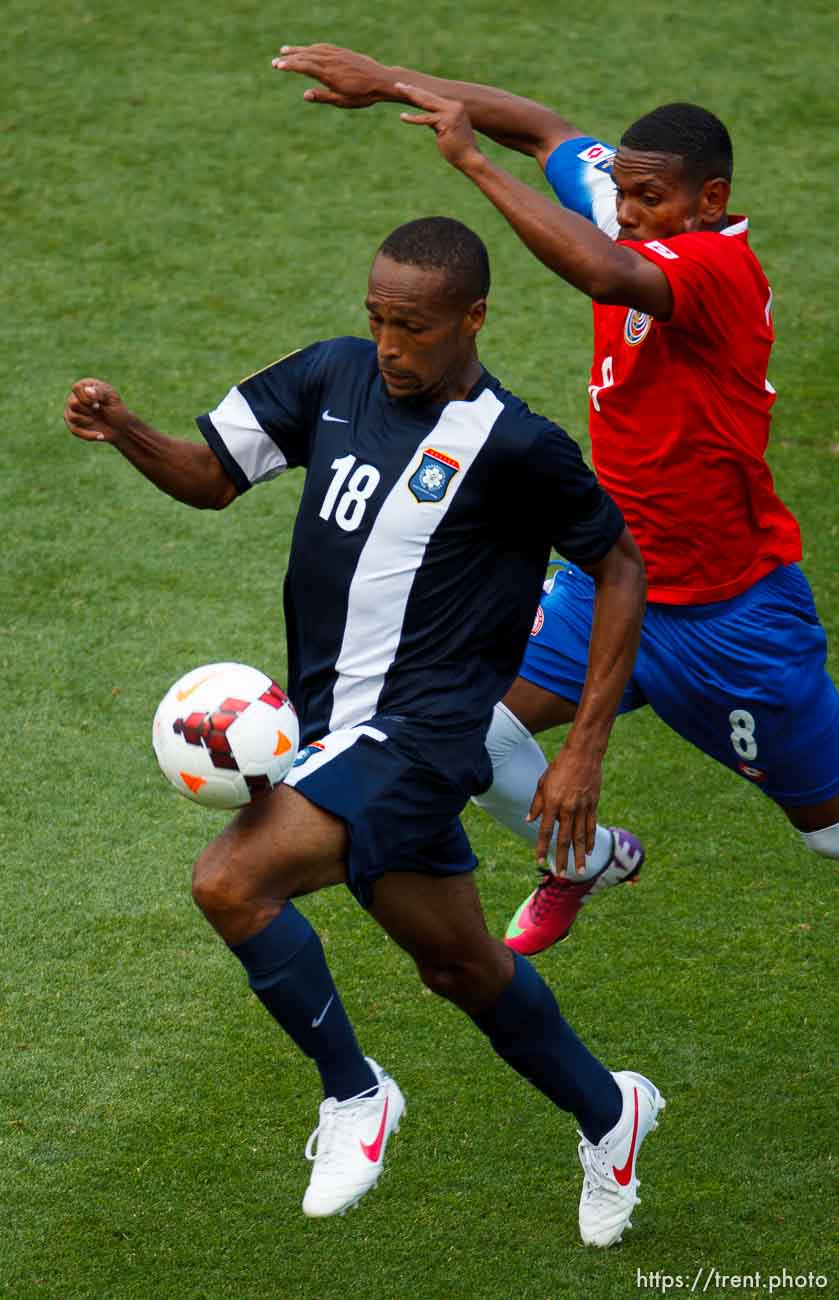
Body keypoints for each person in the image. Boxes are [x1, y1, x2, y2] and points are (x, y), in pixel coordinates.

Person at [64, 217, 659, 1247]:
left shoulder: (515, 445)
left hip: (422, 735)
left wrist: (581, 748)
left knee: (228, 880)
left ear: (471, 317)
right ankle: (613, 1112)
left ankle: (356, 1095)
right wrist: (128, 429)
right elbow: (211, 474)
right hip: (327, 731)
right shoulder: (334, 376)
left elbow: (619, 568)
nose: (389, 346)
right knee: (461, 967)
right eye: (377, 319)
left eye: (414, 327)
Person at [273, 46, 839, 957]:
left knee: (828, 831)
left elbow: (605, 275)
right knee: (468, 725)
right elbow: (539, 127)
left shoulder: (715, 270)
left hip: (730, 613)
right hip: (607, 578)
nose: (628, 211)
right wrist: (390, 83)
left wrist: (470, 165)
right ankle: (581, 863)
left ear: (709, 199)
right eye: (621, 192)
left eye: (650, 199)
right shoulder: (630, 206)